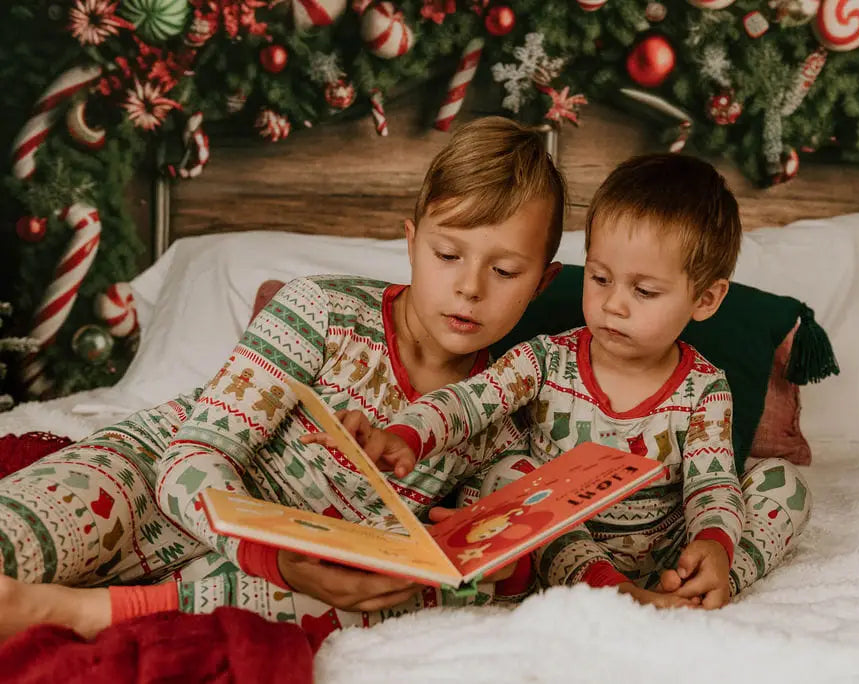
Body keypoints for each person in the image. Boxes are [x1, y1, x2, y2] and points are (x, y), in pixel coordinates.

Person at [0, 116, 566, 643]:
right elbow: (188, 460)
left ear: (542, 282)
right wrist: (268, 551)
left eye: (505, 271)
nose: (470, 287)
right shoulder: (319, 309)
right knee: (23, 537)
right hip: (149, 482)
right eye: (448, 254)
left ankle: (92, 613)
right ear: (412, 242)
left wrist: (502, 561)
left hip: (274, 581)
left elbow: (477, 566)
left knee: (393, 596)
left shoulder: (497, 417)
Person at [331, 154, 813, 610]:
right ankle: (609, 592)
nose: (614, 305)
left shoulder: (705, 388)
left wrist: (713, 541)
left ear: (705, 299)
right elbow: (466, 403)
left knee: (784, 484)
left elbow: (711, 485)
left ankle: (707, 583)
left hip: (668, 548)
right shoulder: (545, 360)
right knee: (506, 474)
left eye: (643, 291)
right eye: (600, 278)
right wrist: (406, 433)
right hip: (559, 543)